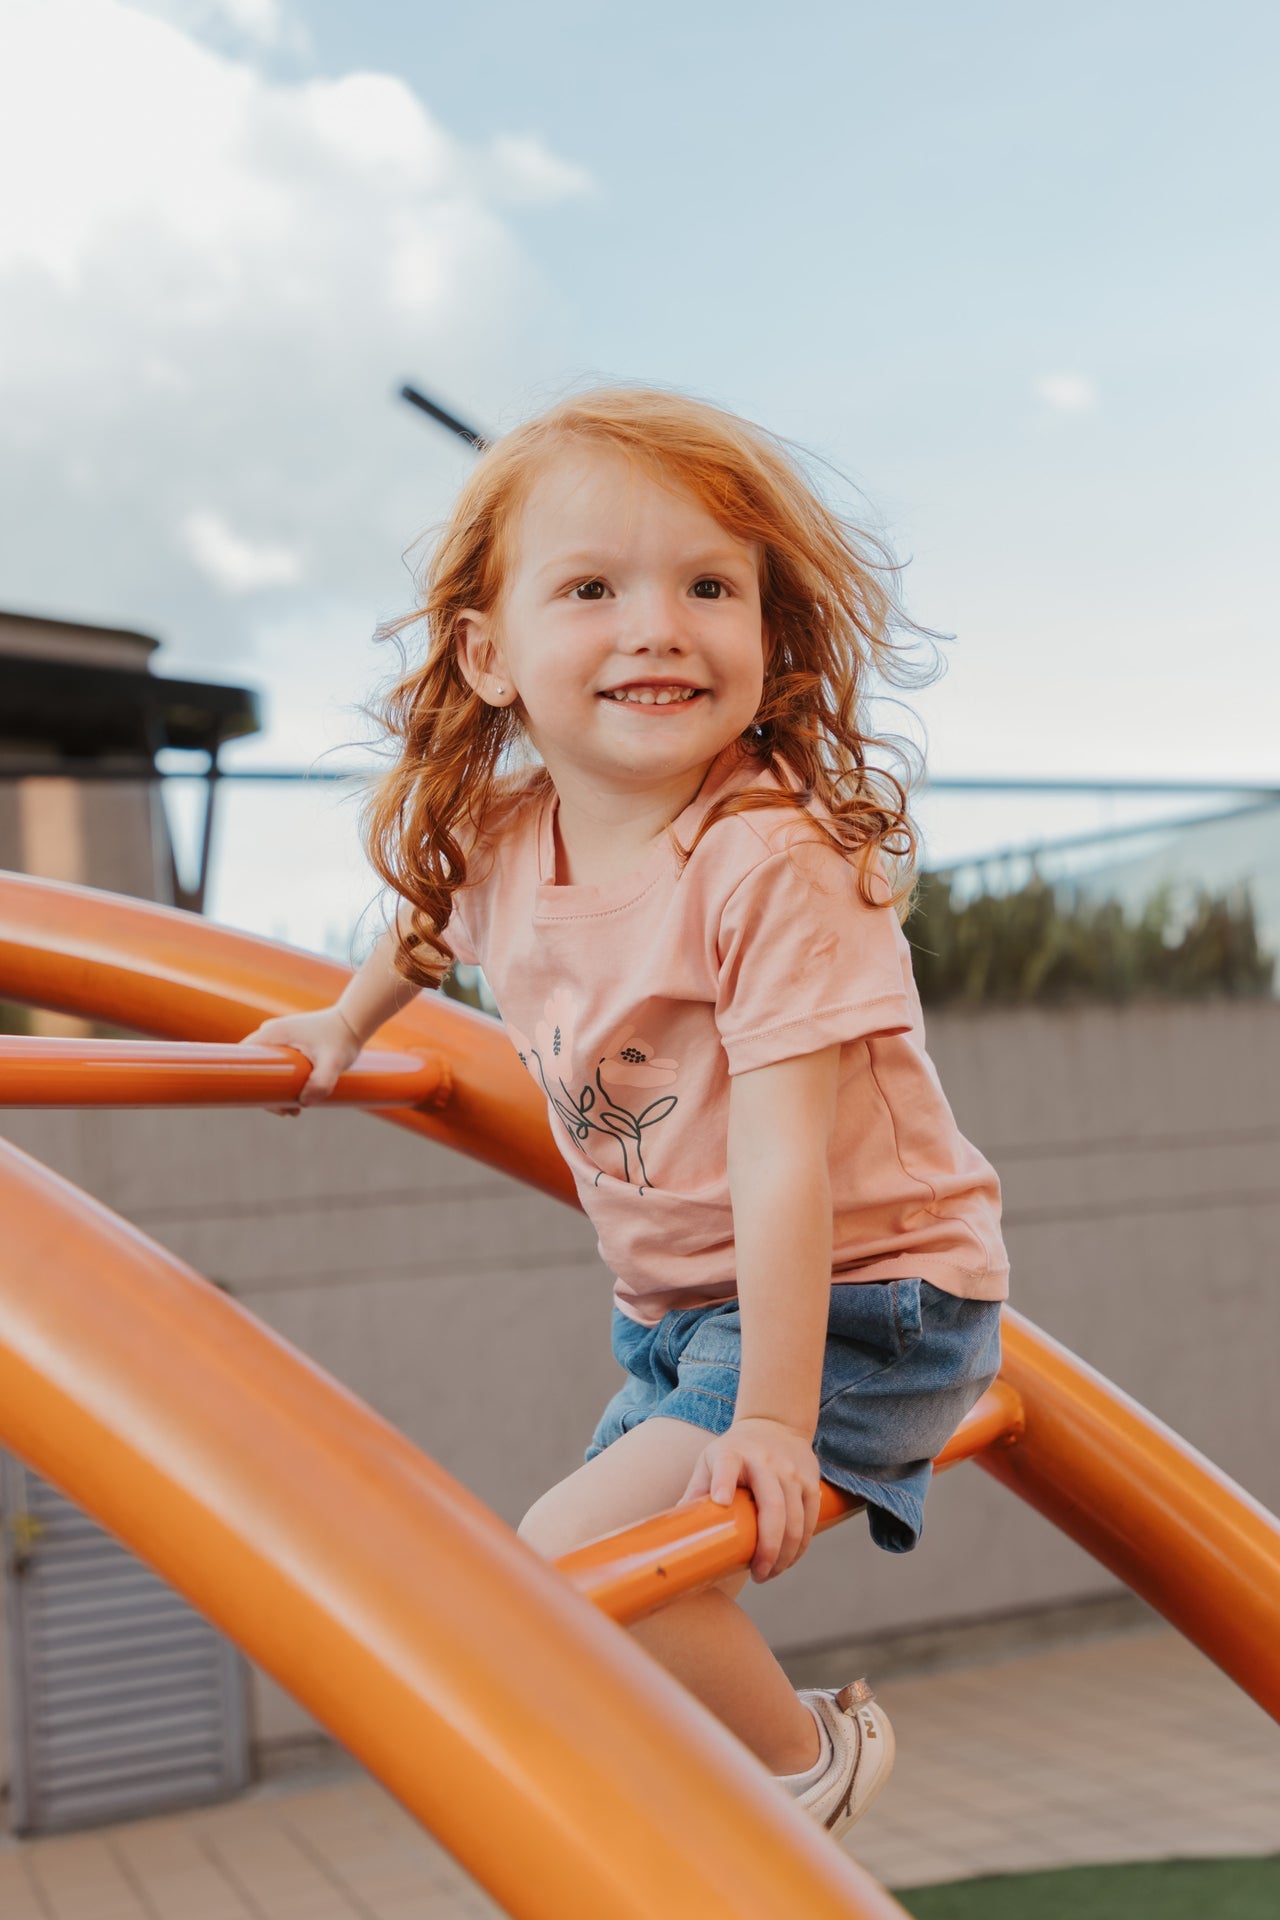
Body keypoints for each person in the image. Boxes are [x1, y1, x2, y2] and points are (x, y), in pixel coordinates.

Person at [244, 386, 1007, 1842]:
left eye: (709, 586)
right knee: (618, 1581)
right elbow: (419, 934)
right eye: (593, 588)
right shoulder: (503, 839)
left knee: (574, 1558)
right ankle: (725, 1773)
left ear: (768, 636)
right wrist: (341, 1030)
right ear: (490, 654)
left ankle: (805, 1772)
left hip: (862, 1292)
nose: (659, 625)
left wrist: (778, 1421)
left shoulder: (767, 861)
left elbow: (789, 1160)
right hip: (682, 1307)